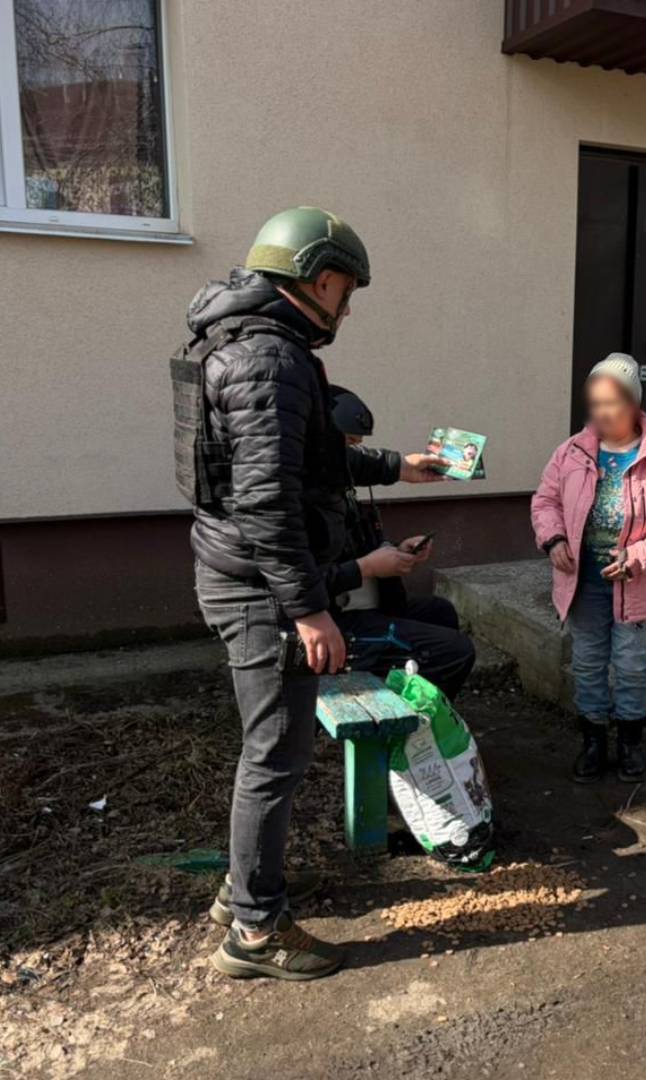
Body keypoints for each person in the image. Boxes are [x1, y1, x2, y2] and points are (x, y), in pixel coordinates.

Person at [173, 207, 448, 981]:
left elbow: (307, 459)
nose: (349, 307)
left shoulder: (243, 340)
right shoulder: (271, 359)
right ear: (320, 278)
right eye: (348, 290)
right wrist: (310, 609)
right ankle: (255, 932)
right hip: (262, 590)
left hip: (240, 574)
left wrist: (400, 466)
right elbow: (268, 503)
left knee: (272, 751)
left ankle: (242, 896)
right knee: (274, 756)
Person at [531, 353, 646, 783]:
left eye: (614, 402)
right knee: (587, 662)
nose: (604, 412)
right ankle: (592, 740)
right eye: (597, 402)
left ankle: (629, 743)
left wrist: (637, 556)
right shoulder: (571, 452)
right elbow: (545, 500)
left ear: (635, 404)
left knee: (633, 664)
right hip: (583, 582)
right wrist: (554, 540)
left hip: (640, 583)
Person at [328, 385, 475, 699]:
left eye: (358, 446)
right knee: (456, 651)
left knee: (440, 612)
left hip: (369, 604)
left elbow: (356, 546)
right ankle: (410, 732)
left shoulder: (344, 489)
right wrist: (368, 567)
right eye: (349, 444)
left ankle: (416, 706)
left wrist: (397, 550)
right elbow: (304, 582)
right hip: (338, 622)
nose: (354, 453)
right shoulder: (307, 500)